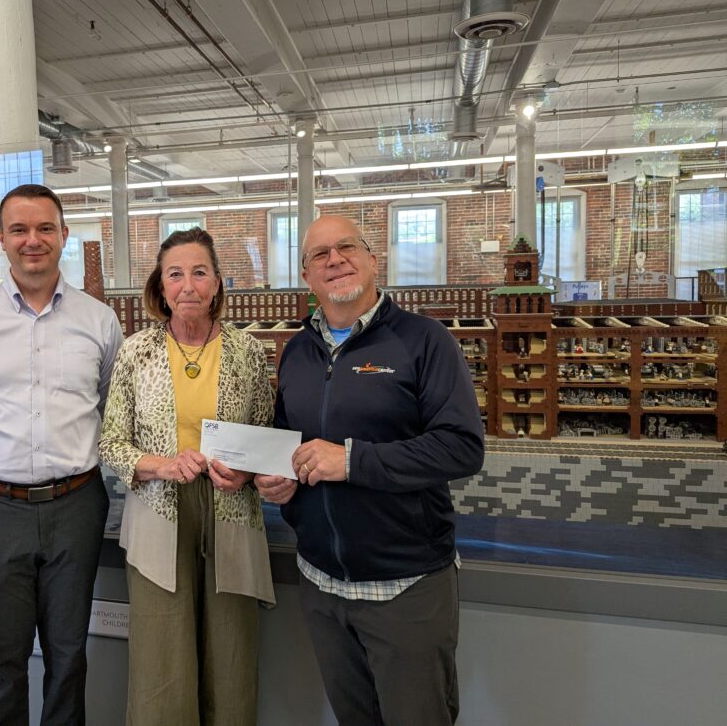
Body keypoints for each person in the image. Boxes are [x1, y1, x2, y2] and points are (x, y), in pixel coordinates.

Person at [256, 214, 484, 726]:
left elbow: (462, 448)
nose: (335, 260)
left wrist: (352, 460)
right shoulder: (297, 352)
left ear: (373, 260)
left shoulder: (424, 341)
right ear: (307, 276)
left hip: (405, 586)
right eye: (320, 254)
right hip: (321, 584)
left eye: (347, 247)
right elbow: (288, 439)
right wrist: (277, 479)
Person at [0, 183, 122, 726]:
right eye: (19, 229)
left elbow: (110, 405)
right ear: (0, 238)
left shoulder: (99, 321)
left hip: (76, 505)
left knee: (69, 654)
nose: (32, 240)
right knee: (2, 658)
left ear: (63, 236)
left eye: (44, 228)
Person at [99, 227, 275, 725]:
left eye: (200, 273)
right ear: (161, 286)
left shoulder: (247, 351)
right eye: (175, 274)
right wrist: (163, 465)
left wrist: (247, 470)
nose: (188, 285)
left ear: (217, 283)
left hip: (231, 510)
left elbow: (265, 434)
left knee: (231, 654)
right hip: (158, 510)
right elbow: (111, 442)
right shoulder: (136, 352)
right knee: (162, 657)